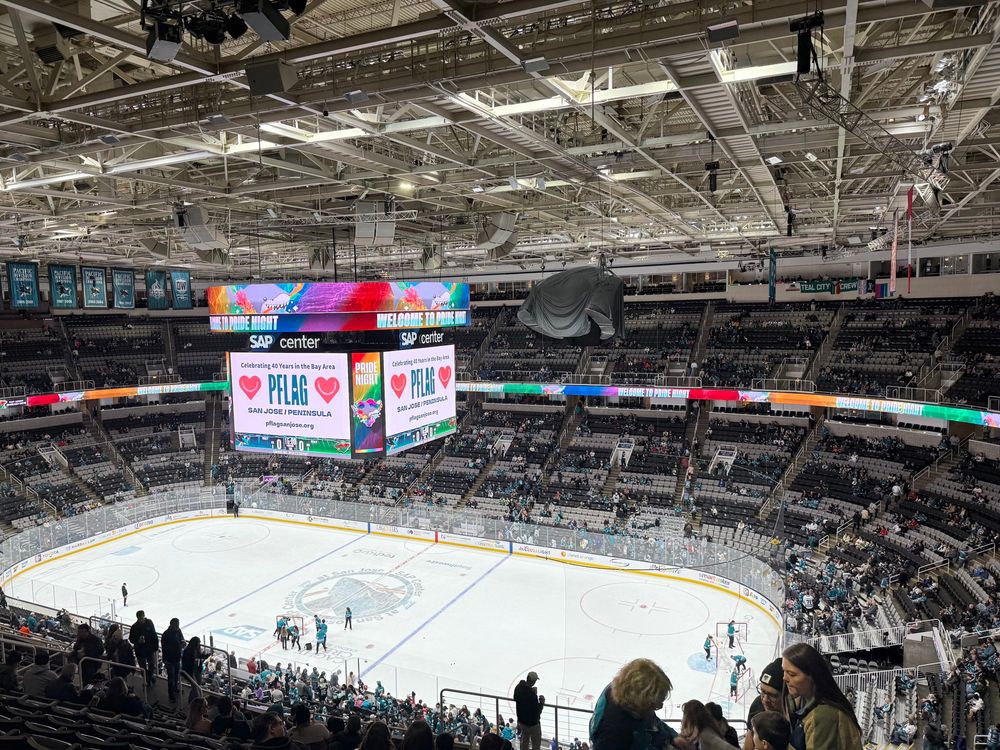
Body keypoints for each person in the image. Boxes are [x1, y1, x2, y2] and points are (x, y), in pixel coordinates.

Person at [781, 643, 862, 750]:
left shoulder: (823, 716)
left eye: (792, 674)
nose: (784, 678)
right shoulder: (808, 705)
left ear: (813, 677)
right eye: (784, 671)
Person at [590, 658, 677, 750]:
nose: (660, 707)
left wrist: (673, 737)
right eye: (652, 705)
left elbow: (651, 721)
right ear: (637, 703)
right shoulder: (613, 737)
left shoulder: (623, 688)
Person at [744, 659, 785, 750]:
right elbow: (748, 743)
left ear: (786, 694)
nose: (765, 700)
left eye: (772, 695)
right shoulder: (757, 705)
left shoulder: (796, 717)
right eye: (762, 692)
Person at [514, 670, 545, 750]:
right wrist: (541, 703)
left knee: (524, 743)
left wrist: (531, 690)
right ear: (533, 682)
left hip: (522, 722)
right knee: (536, 744)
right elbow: (537, 712)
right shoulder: (532, 695)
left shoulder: (518, 688)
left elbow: (518, 697)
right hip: (533, 724)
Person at [128, 610, 159, 687]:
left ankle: (149, 677)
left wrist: (156, 646)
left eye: (142, 617)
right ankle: (148, 680)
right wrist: (138, 641)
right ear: (137, 618)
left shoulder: (149, 623)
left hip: (150, 649)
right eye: (140, 618)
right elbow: (131, 639)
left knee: (152, 664)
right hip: (140, 650)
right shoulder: (134, 627)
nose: (141, 619)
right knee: (143, 667)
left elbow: (154, 634)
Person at [161, 616, 184, 701]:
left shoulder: (178, 631)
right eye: (176, 625)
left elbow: (182, 638)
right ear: (171, 625)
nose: (178, 627)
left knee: (176, 675)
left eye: (178, 625)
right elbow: (167, 649)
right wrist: (179, 646)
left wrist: (182, 642)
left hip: (177, 658)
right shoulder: (166, 634)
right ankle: (171, 695)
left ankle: (175, 688)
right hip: (169, 659)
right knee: (171, 677)